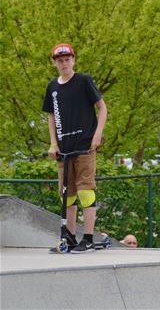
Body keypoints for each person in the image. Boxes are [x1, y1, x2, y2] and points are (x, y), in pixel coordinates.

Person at [43, 43, 107, 253]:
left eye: (67, 59)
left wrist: (97, 134)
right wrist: (53, 143)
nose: (64, 63)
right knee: (67, 195)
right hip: (64, 149)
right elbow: (51, 116)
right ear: (55, 63)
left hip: (84, 146)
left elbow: (102, 107)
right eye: (60, 60)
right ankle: (69, 237)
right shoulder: (52, 87)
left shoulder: (83, 81)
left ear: (73, 60)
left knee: (85, 191)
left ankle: (87, 238)